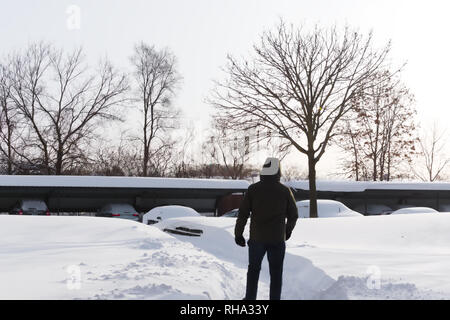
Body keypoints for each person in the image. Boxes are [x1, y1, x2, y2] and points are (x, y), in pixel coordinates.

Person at [234, 157, 298, 300]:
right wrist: (287, 231)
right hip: (277, 239)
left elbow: (243, 213)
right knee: (276, 273)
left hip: (257, 239)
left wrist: (238, 234)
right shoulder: (284, 191)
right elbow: (293, 215)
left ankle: (250, 300)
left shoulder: (253, 189)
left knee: (253, 270)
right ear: (278, 171)